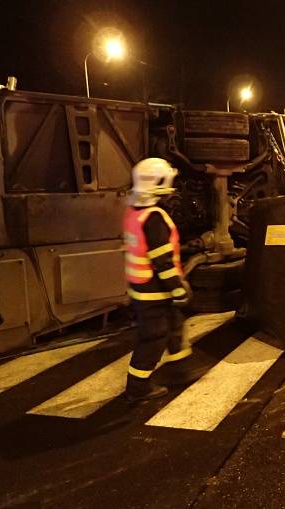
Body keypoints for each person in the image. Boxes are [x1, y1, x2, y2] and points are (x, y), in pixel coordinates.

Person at [123, 157, 195, 403]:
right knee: (154, 337)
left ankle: (180, 370)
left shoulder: (135, 214)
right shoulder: (154, 218)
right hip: (154, 291)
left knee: (174, 326)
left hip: (141, 288)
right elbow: (162, 262)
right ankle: (137, 387)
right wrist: (178, 290)